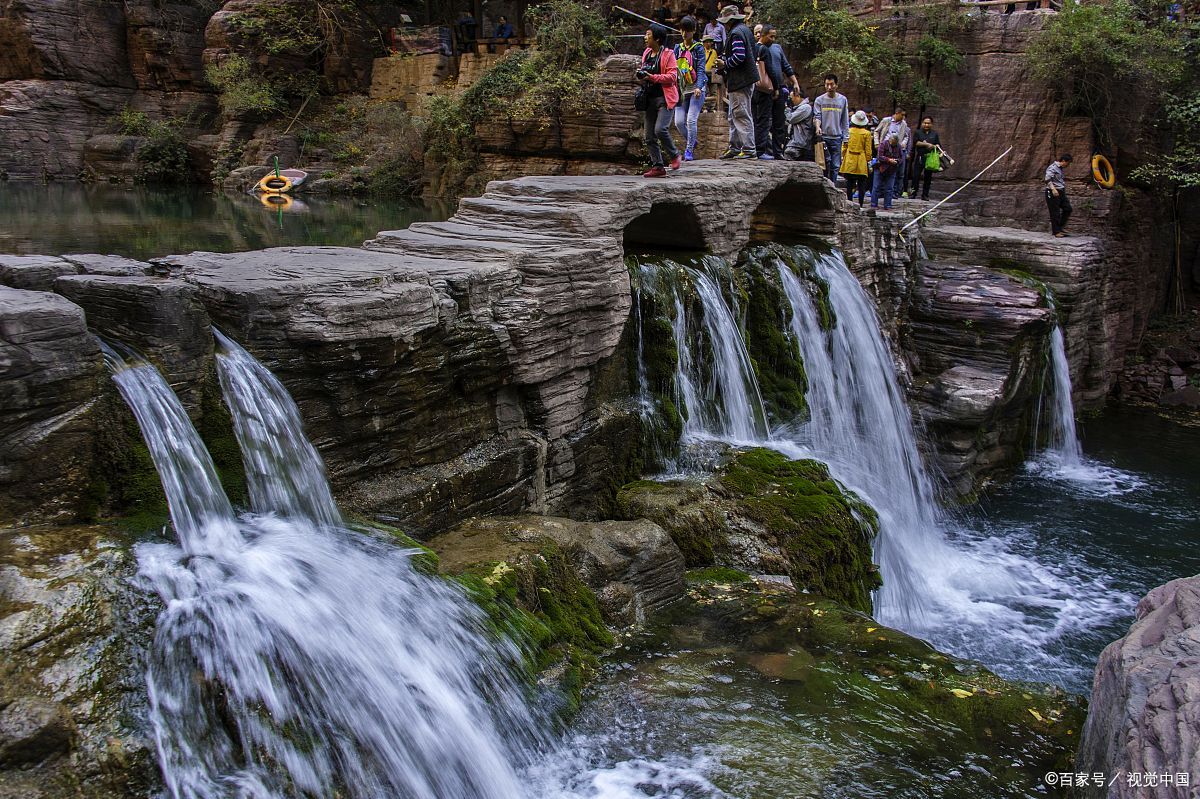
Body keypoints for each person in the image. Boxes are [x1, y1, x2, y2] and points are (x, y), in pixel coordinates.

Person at [637, 25, 682, 178]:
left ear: (657, 38)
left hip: (665, 98)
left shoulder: (668, 54)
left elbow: (672, 77)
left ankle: (675, 155)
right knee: (649, 136)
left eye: (648, 34)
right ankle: (658, 167)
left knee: (660, 129)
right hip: (649, 98)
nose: (645, 37)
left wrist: (653, 77)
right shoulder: (647, 53)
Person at [715, 4, 757, 159]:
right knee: (733, 114)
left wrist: (724, 63)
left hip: (740, 80)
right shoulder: (745, 30)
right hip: (743, 80)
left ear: (729, 20)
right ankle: (735, 147)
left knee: (741, 114)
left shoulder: (736, 33)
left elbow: (740, 56)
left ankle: (748, 150)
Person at [673, 16, 707, 161]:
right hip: (682, 89)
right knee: (678, 122)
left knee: (691, 120)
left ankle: (689, 150)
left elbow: (701, 69)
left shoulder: (699, 48)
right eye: (682, 30)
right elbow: (673, 69)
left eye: (687, 30)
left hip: (696, 89)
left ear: (693, 31)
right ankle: (692, 140)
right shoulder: (677, 48)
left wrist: (699, 87)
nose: (684, 33)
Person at [751, 24, 784, 160]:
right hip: (765, 90)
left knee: (755, 119)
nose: (773, 39)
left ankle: (753, 148)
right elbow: (770, 69)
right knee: (764, 120)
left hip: (754, 88)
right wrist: (776, 87)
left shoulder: (753, 48)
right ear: (763, 35)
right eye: (771, 36)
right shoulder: (764, 49)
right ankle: (760, 150)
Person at [814, 73, 849, 182]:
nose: (829, 87)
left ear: (836, 85)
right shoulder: (819, 100)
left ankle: (832, 186)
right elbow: (817, 116)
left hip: (837, 137)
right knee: (824, 164)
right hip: (824, 137)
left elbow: (845, 120)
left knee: (835, 165)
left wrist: (846, 137)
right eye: (827, 84)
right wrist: (817, 127)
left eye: (831, 84)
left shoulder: (842, 100)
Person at [873, 107, 909, 198]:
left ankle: (894, 193)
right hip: (884, 148)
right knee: (882, 169)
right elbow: (876, 131)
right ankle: (880, 192)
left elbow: (906, 136)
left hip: (897, 149)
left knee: (897, 171)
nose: (904, 117)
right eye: (902, 114)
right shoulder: (886, 121)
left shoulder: (904, 124)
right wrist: (877, 143)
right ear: (897, 113)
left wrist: (903, 143)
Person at [840, 109, 873, 205]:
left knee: (849, 183)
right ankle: (861, 203)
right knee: (861, 183)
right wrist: (869, 161)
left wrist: (843, 156)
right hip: (861, 160)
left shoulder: (848, 131)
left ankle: (849, 202)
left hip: (850, 158)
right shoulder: (867, 133)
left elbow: (844, 146)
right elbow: (868, 150)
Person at [911, 116, 941, 200]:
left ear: (931, 124)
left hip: (930, 158)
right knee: (916, 176)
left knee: (928, 177)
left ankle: (925, 195)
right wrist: (926, 144)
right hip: (920, 157)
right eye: (925, 123)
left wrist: (934, 146)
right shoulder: (918, 132)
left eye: (928, 123)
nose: (926, 125)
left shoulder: (934, 134)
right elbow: (915, 143)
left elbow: (938, 144)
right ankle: (913, 193)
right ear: (922, 123)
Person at [1044, 153, 1073, 236]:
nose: (1068, 165)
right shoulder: (1053, 167)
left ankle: (1060, 228)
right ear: (1063, 161)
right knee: (1055, 211)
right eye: (1068, 163)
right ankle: (1056, 231)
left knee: (1067, 208)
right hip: (1052, 191)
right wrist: (1053, 189)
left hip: (1061, 191)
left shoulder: (1060, 169)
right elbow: (1047, 178)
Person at [872, 133, 902, 209]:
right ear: (890, 140)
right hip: (880, 168)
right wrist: (889, 160)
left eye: (895, 143)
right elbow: (879, 157)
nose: (893, 144)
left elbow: (901, 158)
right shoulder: (883, 144)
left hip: (892, 169)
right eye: (892, 142)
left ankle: (888, 205)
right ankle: (874, 204)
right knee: (876, 187)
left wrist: (897, 161)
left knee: (889, 188)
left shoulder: (898, 146)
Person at [783, 90, 815, 162]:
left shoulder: (805, 108)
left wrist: (786, 108)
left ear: (798, 96)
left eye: (791, 98)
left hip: (799, 144)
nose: (791, 101)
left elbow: (790, 119)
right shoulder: (798, 108)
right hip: (798, 144)